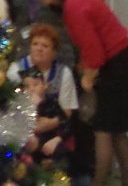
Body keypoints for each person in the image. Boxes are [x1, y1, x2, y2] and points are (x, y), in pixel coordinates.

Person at [27, 0, 128, 186]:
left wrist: (87, 78)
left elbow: (95, 53)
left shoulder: (73, 7)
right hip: (123, 61)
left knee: (103, 130)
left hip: (115, 66)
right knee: (117, 130)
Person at [7, 23, 77, 163]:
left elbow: (67, 111)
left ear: (54, 52)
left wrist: (51, 123)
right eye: (35, 44)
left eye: (45, 46)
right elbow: (9, 107)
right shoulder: (15, 70)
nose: (39, 48)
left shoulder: (63, 73)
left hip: (53, 129)